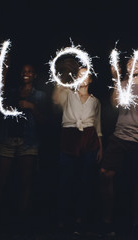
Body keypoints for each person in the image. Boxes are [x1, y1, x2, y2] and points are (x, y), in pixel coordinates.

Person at [99, 57, 138, 239]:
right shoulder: (123, 83)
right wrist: (115, 80)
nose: (131, 65)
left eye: (135, 63)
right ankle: (107, 222)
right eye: (128, 64)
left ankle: (137, 225)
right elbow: (114, 104)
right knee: (105, 173)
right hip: (121, 136)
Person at [0, 64, 47, 217]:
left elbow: (43, 122)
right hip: (7, 139)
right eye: (23, 71)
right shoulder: (12, 92)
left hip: (28, 141)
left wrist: (32, 107)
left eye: (29, 71)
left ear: (34, 75)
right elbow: (0, 108)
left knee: (25, 182)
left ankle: (21, 217)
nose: (25, 74)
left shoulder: (40, 96)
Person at [52, 65, 103, 239]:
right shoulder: (68, 94)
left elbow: (98, 126)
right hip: (69, 139)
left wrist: (100, 147)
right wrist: (62, 79)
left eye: (86, 75)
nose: (82, 78)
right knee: (66, 181)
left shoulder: (95, 101)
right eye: (79, 75)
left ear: (90, 80)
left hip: (89, 141)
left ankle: (80, 221)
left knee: (85, 182)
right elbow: (55, 100)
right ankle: (62, 221)